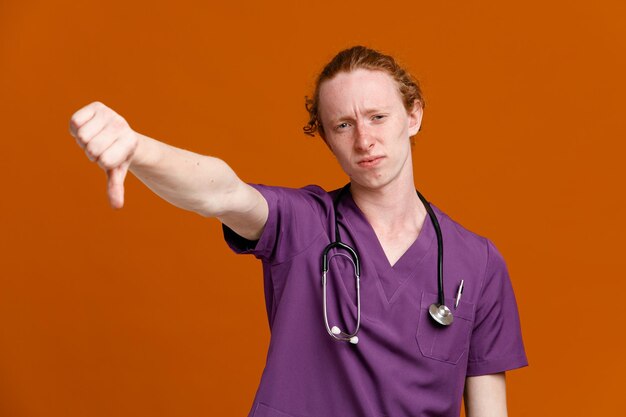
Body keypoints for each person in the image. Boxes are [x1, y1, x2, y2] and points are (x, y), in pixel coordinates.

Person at [69, 46, 527, 417]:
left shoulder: (478, 263)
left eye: (377, 117)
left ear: (413, 116)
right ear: (326, 138)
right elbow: (224, 194)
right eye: (343, 125)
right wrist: (141, 149)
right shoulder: (304, 224)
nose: (363, 140)